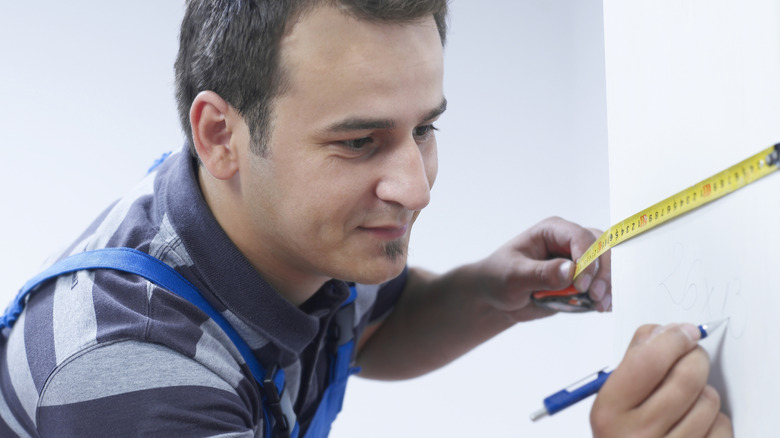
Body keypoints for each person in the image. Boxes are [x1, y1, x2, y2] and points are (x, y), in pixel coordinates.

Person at [0, 0, 731, 436]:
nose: (415, 189)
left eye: (424, 129)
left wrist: (486, 292)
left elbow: (367, 333)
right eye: (360, 142)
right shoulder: (126, 375)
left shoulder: (270, 218)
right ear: (220, 135)